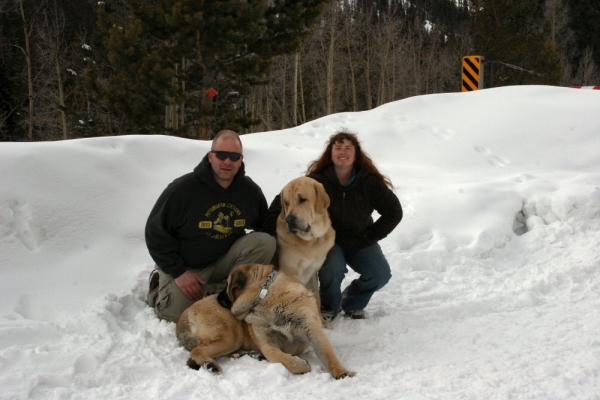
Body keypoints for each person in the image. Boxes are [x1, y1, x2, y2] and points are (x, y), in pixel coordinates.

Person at [262, 129, 402, 320]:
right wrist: (269, 232)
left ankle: (352, 302)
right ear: (331, 153)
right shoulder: (317, 179)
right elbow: (281, 200)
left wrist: (369, 236)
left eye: (348, 148)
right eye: (338, 148)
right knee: (331, 269)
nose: (342, 152)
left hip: (361, 240)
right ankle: (329, 307)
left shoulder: (369, 182)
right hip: (329, 240)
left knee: (381, 274)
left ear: (356, 154)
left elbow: (394, 213)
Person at [145, 130, 276, 322]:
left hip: (224, 261)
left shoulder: (249, 191)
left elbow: (266, 225)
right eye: (221, 155)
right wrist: (179, 272)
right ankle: (158, 288)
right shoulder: (183, 189)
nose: (227, 162)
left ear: (241, 159)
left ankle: (226, 288)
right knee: (177, 316)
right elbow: (155, 233)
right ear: (211, 156)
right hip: (187, 266)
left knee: (265, 241)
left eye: (234, 156)